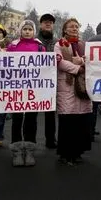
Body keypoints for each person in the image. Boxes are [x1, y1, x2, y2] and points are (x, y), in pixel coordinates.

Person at [7, 20, 45, 167]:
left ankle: (29, 150)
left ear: (33, 31)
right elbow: (5, 62)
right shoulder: (13, 46)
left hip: (33, 91)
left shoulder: (40, 47)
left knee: (31, 120)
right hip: (16, 90)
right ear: (20, 31)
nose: (27, 31)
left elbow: (46, 66)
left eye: (30, 29)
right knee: (16, 120)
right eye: (25, 29)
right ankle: (17, 150)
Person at [55, 18, 92, 166]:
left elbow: (90, 60)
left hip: (82, 87)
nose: (74, 28)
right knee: (67, 122)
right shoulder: (59, 44)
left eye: (77, 26)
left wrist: (82, 62)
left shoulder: (83, 45)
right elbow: (59, 62)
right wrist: (77, 67)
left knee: (81, 122)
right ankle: (65, 154)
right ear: (65, 29)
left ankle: (77, 153)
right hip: (67, 86)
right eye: (71, 26)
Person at [37, 13, 58, 149]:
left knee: (51, 113)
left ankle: (50, 139)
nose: (48, 23)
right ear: (40, 24)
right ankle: (30, 141)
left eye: (50, 22)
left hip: (51, 82)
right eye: (45, 21)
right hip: (34, 82)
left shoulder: (57, 42)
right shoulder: (34, 41)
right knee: (31, 113)